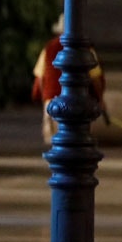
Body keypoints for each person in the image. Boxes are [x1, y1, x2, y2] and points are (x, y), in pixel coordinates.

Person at [32, 15, 106, 147]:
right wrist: (100, 100)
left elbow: (39, 80)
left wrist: (44, 98)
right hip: (77, 101)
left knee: (53, 144)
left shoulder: (49, 48)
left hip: (51, 102)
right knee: (75, 141)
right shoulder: (86, 49)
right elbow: (96, 79)